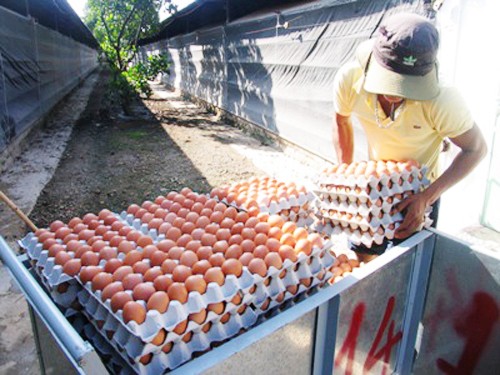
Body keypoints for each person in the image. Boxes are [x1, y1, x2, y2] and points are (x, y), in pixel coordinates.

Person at [332, 12, 487, 257]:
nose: (395, 92)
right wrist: (345, 176)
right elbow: (341, 120)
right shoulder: (350, 79)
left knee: (404, 267)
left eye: (406, 83)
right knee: (364, 260)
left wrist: (427, 197)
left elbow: (476, 148)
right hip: (373, 186)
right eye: (390, 79)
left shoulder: (442, 101)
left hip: (418, 194)